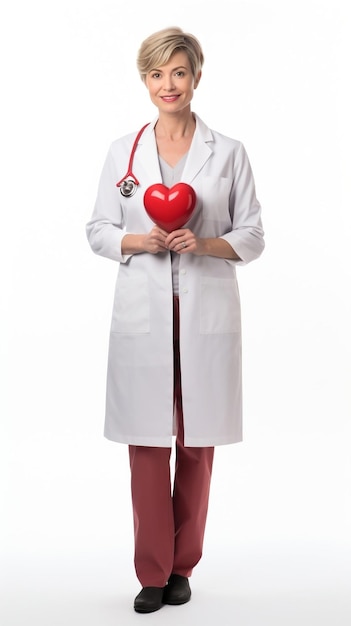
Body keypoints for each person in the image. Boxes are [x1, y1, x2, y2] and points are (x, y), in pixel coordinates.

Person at [86, 26, 265, 613]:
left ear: (196, 77)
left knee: (195, 447)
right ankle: (151, 573)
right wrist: (140, 238)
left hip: (203, 316)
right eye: (158, 74)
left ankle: (183, 567)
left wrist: (203, 243)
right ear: (145, 80)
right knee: (146, 446)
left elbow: (253, 236)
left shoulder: (228, 152)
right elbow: (98, 230)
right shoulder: (123, 151)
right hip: (144, 318)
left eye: (179, 72)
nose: (169, 84)